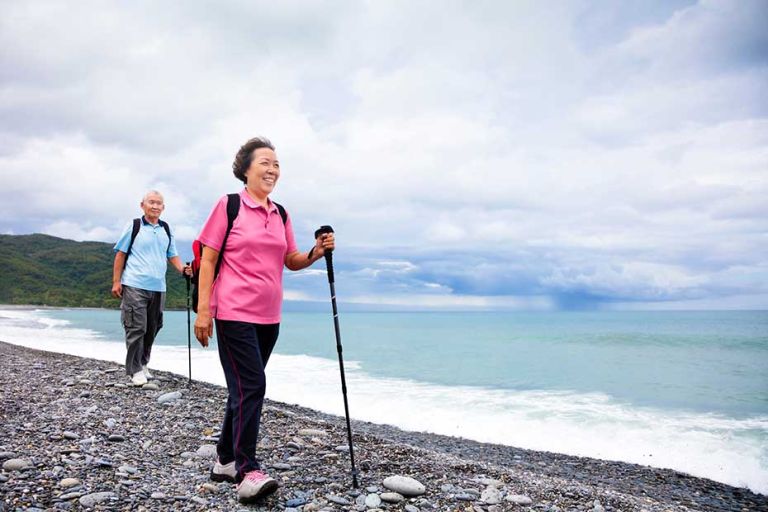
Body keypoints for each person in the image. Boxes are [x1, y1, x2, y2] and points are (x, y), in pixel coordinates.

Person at [193, 137, 334, 503]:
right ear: (245, 169)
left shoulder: (280, 213)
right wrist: (204, 310)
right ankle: (247, 471)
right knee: (253, 385)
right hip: (233, 312)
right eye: (265, 163)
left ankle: (225, 460)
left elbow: (290, 259)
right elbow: (208, 260)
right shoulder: (229, 206)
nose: (272, 169)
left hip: (269, 317)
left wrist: (316, 252)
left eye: (276, 164)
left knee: (243, 388)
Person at [112, 190, 190, 386]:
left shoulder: (166, 229)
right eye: (151, 202)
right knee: (136, 327)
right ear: (142, 205)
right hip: (134, 284)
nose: (155, 206)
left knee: (153, 327)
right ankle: (134, 370)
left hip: (158, 287)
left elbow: (172, 254)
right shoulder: (134, 226)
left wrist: (183, 269)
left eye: (159, 203)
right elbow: (120, 254)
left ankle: (143, 363)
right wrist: (116, 281)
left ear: (163, 207)